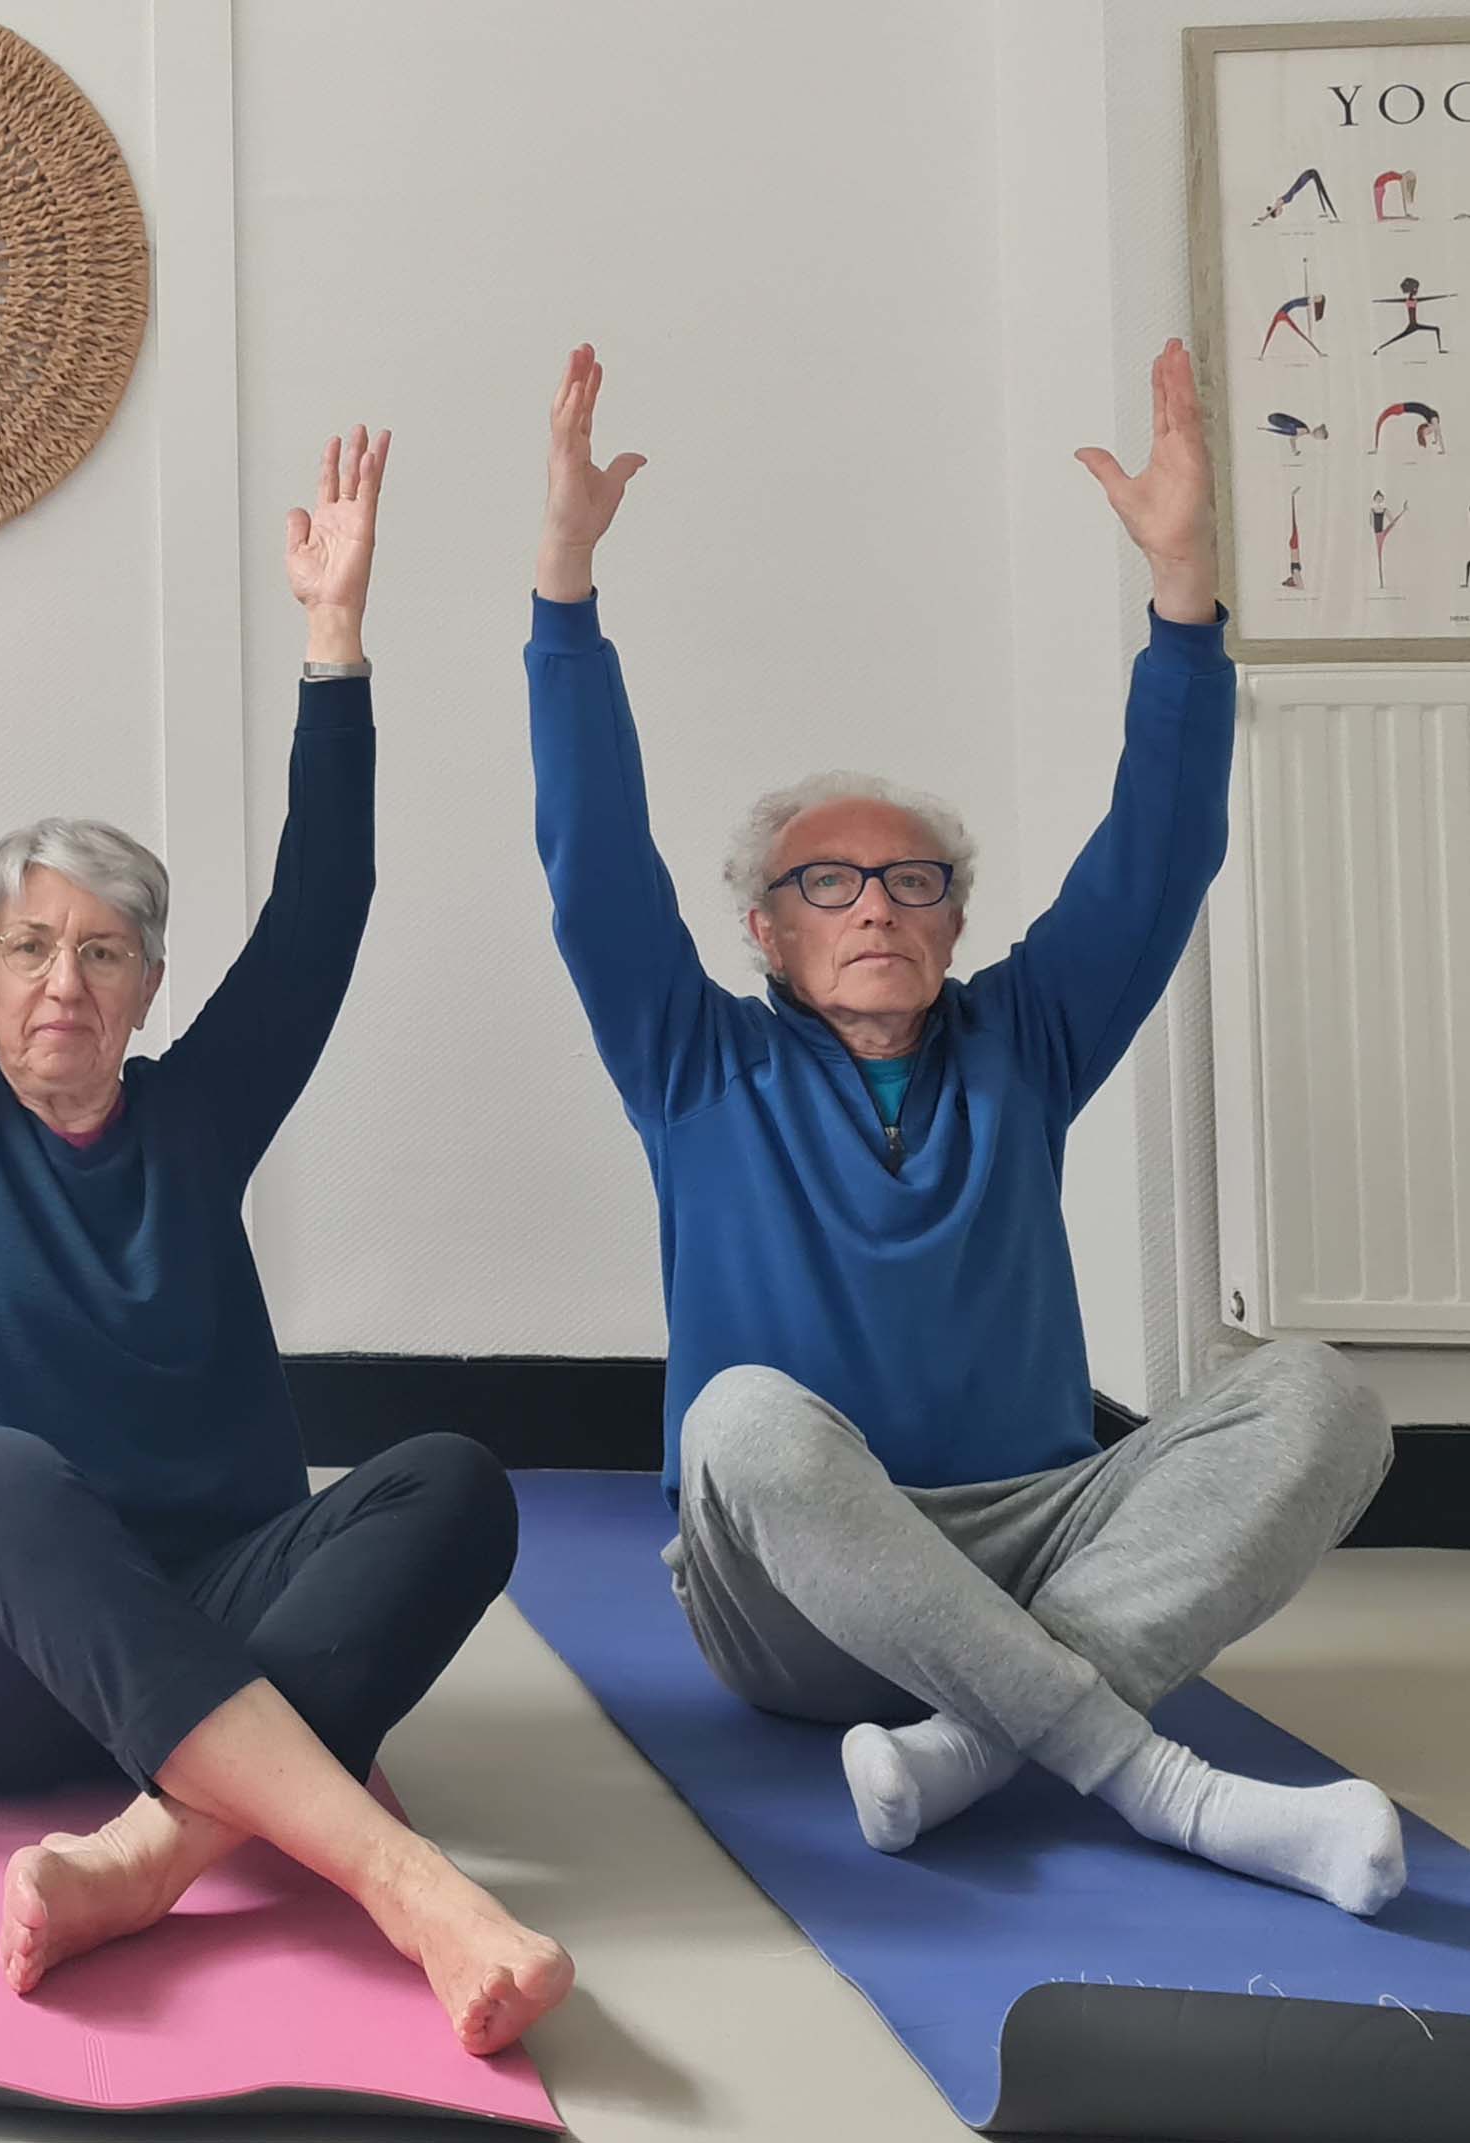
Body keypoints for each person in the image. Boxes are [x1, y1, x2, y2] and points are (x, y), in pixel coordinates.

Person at [527, 340, 1398, 1913]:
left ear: (954, 921)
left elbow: (1158, 851)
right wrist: (567, 591)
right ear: (762, 934)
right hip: (801, 1588)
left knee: (1329, 1398)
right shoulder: (693, 1061)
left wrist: (1186, 594)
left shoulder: (1028, 1039)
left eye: (914, 880)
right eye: (829, 884)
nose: (876, 905)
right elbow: (591, 863)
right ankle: (1169, 1790)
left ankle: (966, 1749)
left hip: (1044, 1542)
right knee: (741, 1420)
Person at [0, 418, 569, 2056]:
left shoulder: (199, 1115)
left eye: (102, 953)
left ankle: (156, 1849)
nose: (64, 984)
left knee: (453, 1477)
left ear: (150, 988)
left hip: (203, 1603)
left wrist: (334, 646)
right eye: (28, 948)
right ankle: (401, 1882)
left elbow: (324, 907)